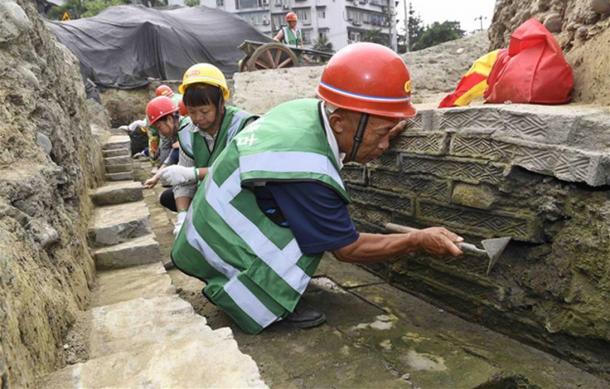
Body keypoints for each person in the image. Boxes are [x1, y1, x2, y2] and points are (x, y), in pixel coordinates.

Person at [170, 43, 464, 335]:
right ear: (338, 122)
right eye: (381, 134)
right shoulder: (306, 170)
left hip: (207, 226)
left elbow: (331, 147)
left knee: (310, 223)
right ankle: (260, 299)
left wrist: (377, 130)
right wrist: (417, 240)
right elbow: (348, 248)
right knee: (315, 236)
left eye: (389, 132)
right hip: (216, 245)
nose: (385, 144)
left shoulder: (306, 112)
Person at [149, 63, 257, 236]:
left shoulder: (243, 125)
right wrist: (182, 216)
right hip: (212, 195)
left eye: (205, 111)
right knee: (170, 197)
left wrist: (194, 173)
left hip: (243, 197)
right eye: (192, 112)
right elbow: (184, 182)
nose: (198, 118)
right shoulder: (187, 133)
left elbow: (244, 169)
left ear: (221, 103)